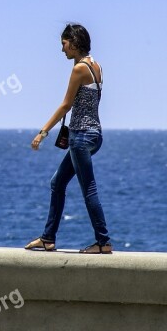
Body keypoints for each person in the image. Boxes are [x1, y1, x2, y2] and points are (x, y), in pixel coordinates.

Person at [25, 23, 112, 254]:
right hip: (94, 135)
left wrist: (42, 132)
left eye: (64, 44)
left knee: (89, 189)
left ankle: (103, 242)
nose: (62, 49)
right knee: (58, 183)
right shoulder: (96, 66)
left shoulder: (78, 70)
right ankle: (48, 238)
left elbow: (66, 104)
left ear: (73, 42)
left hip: (81, 137)